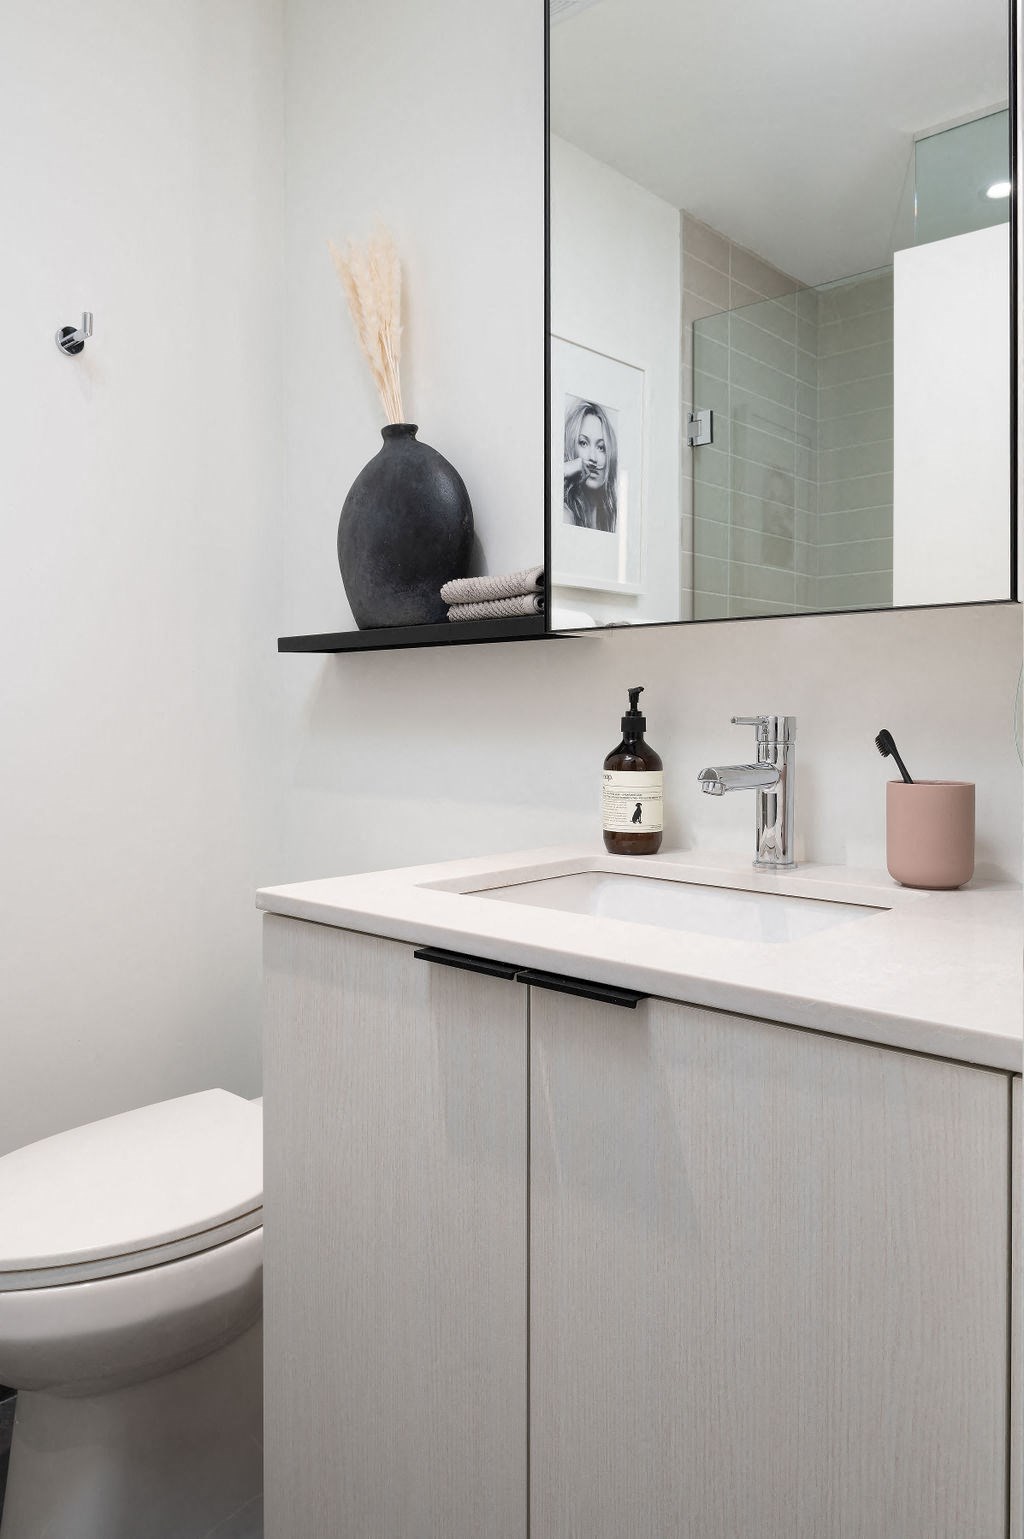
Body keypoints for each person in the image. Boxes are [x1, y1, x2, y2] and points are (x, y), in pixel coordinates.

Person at [563, 399, 618, 533]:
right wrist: (562, 470)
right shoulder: (565, 515)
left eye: (601, 447)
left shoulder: (612, 521)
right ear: (571, 445)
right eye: (583, 443)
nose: (592, 457)